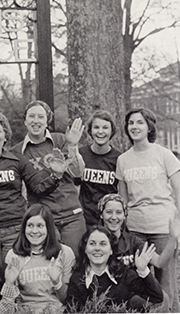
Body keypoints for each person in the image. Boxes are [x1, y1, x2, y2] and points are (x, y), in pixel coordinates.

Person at [0, 112, 68, 260]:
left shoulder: (17, 160)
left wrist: (56, 175)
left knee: (13, 273)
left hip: (15, 230)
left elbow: (39, 188)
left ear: (5, 137)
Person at [116, 107, 180, 312]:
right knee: (139, 284)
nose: (134, 127)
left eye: (140, 122)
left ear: (149, 126)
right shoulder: (123, 159)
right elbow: (123, 199)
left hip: (163, 227)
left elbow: (179, 191)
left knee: (166, 283)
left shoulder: (164, 154)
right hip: (135, 230)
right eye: (131, 123)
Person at [11, 100, 86, 257]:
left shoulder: (60, 139)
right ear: (25, 120)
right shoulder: (17, 152)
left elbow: (78, 173)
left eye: (40, 116)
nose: (36, 121)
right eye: (31, 116)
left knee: (76, 265)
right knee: (48, 266)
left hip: (71, 215)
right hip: (43, 220)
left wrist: (73, 146)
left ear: (47, 120)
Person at [65, 226, 163, 312]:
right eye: (92, 243)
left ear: (111, 250)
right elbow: (71, 310)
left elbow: (156, 297)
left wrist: (143, 270)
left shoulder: (124, 273)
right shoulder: (77, 278)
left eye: (103, 244)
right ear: (85, 249)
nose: (97, 248)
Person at [0, 204, 75, 314]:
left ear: (48, 228)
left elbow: (69, 301)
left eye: (40, 226)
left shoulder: (64, 253)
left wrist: (56, 282)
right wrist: (9, 283)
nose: (34, 231)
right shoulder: (14, 255)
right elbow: (5, 312)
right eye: (30, 225)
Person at [98, 193, 178, 270]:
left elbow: (159, 262)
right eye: (109, 212)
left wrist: (173, 238)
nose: (114, 217)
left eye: (119, 212)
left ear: (124, 215)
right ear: (101, 214)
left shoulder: (133, 241)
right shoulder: (93, 240)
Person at [75, 110, 121, 227]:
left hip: (109, 220)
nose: (100, 132)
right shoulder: (82, 154)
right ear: (90, 131)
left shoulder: (119, 158)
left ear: (112, 131)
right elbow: (74, 184)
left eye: (105, 128)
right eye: (96, 127)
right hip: (86, 219)